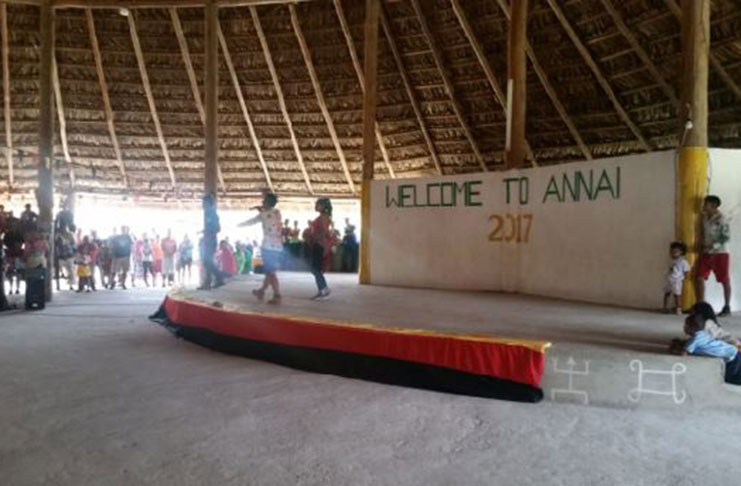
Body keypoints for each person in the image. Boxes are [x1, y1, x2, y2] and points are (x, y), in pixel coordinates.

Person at [239, 193, 283, 304]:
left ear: (267, 203)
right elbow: (269, 216)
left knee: (271, 272)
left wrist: (239, 225)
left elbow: (252, 221)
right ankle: (261, 291)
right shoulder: (277, 212)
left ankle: (277, 295)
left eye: (264, 201)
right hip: (278, 246)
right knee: (269, 271)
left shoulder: (263, 214)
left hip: (268, 246)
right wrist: (261, 209)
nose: (262, 202)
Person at [683, 302, 741, 385]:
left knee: (730, 375)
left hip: (732, 346)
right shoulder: (707, 323)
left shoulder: (706, 324)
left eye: (693, 312)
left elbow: (688, 349)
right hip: (733, 347)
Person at [696, 195, 732, 316]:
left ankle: (727, 306)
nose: (703, 206)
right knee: (700, 277)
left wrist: (713, 246)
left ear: (714, 206)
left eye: (706, 204)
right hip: (706, 253)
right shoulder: (704, 218)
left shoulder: (722, 219)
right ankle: (700, 305)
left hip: (720, 253)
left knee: (724, 279)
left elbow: (726, 237)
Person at [306, 198, 333, 300]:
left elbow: (325, 232)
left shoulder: (324, 217)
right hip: (318, 244)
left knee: (315, 268)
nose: (316, 206)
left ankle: (323, 289)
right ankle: (322, 288)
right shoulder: (323, 217)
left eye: (318, 204)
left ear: (323, 206)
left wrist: (315, 237)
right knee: (315, 268)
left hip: (320, 245)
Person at [199, 193, 224, 290]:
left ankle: (219, 277)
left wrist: (208, 233)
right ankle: (208, 282)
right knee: (207, 262)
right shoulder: (208, 213)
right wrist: (204, 231)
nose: (202, 204)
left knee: (207, 262)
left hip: (211, 240)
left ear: (208, 203)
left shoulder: (211, 213)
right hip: (208, 239)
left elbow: (217, 228)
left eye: (204, 202)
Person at [663, 241, 690, 315]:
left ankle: (678, 308)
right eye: (671, 251)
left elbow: (686, 271)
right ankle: (665, 307)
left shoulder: (683, 261)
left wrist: (685, 278)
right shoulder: (671, 261)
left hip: (677, 280)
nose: (673, 253)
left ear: (681, 252)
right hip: (669, 279)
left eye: (675, 251)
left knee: (677, 295)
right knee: (667, 293)